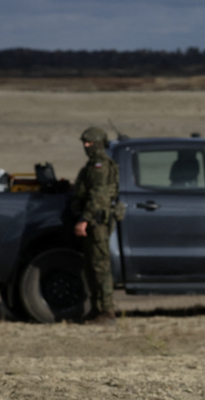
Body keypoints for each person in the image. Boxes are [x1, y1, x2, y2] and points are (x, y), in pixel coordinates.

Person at [71, 126, 120, 326]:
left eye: (90, 142)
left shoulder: (100, 165)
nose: (86, 146)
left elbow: (97, 196)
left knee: (100, 266)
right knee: (90, 267)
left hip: (97, 222)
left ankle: (107, 312)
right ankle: (96, 309)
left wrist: (84, 219)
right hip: (93, 221)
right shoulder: (92, 165)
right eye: (85, 142)